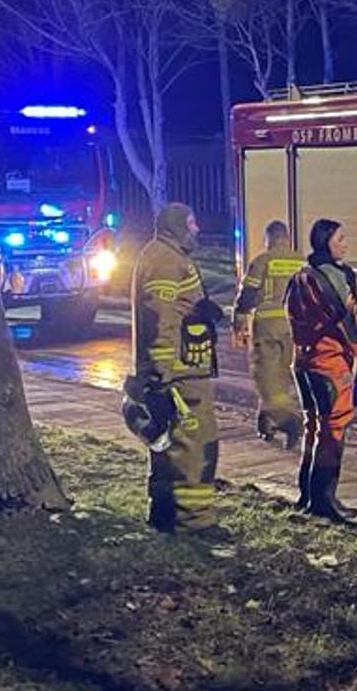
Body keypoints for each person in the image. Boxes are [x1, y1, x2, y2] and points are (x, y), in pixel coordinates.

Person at [129, 202, 223, 533]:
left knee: (169, 446)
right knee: (193, 446)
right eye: (192, 222)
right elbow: (161, 319)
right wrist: (162, 371)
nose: (197, 229)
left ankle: (166, 514)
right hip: (180, 375)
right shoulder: (165, 261)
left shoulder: (166, 255)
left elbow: (174, 311)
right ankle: (194, 520)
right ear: (176, 226)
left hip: (178, 372)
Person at [285, 219, 357, 521]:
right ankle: (325, 501)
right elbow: (346, 324)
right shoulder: (333, 277)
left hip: (303, 363)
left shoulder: (301, 276)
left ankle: (307, 494)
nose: (346, 244)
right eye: (340, 239)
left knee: (314, 426)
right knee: (333, 430)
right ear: (326, 242)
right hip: (329, 365)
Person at [233, 220, 303, 447]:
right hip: (295, 330)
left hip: (268, 329)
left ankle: (289, 421)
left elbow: (248, 295)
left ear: (269, 239)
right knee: (284, 377)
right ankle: (265, 420)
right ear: (287, 238)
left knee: (267, 377)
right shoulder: (301, 262)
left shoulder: (263, 261)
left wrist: (239, 321)